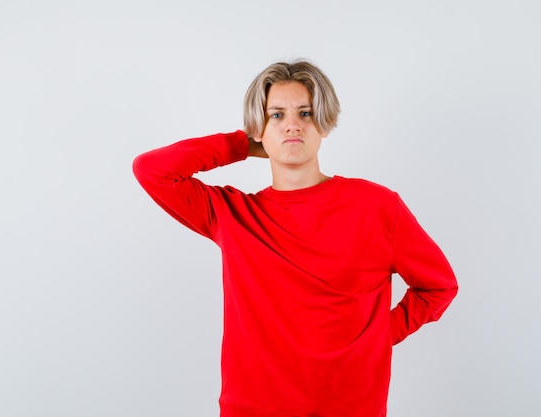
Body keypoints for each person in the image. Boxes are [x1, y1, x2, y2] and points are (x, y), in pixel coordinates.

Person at [132, 60, 458, 417]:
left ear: (324, 123)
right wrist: (243, 143)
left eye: (305, 113)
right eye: (276, 115)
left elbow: (438, 286)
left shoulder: (377, 206)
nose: (292, 125)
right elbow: (153, 170)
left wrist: (378, 337)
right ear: (259, 127)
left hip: (350, 407)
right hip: (252, 408)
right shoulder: (231, 214)